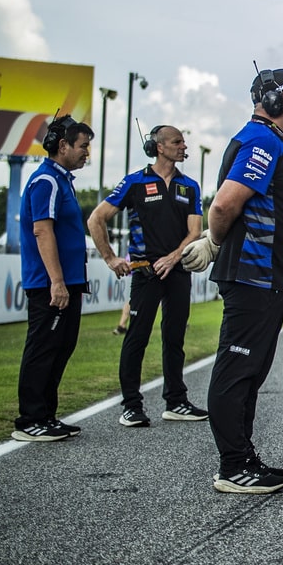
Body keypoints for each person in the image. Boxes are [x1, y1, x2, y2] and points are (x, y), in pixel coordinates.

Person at [181, 67, 283, 494]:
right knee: (239, 368)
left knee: (251, 370)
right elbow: (224, 205)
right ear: (274, 99)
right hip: (253, 275)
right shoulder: (260, 139)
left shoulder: (274, 140)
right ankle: (233, 465)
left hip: (268, 277)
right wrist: (214, 242)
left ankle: (242, 456)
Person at [88, 124, 206, 428]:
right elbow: (96, 218)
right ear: (159, 147)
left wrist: (174, 256)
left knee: (174, 338)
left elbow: (195, 231)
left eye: (183, 141)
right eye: (177, 141)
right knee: (136, 338)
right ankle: (131, 406)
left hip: (178, 270)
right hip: (145, 272)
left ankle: (176, 402)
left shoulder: (190, 185)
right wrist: (111, 258)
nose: (183, 146)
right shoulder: (134, 182)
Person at [12, 115, 94, 442]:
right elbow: (42, 231)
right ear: (63, 146)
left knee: (61, 347)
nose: (87, 152)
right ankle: (30, 419)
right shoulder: (46, 180)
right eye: (83, 146)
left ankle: (46, 414)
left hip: (68, 281)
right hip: (50, 284)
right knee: (43, 348)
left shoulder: (62, 180)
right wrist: (56, 282)